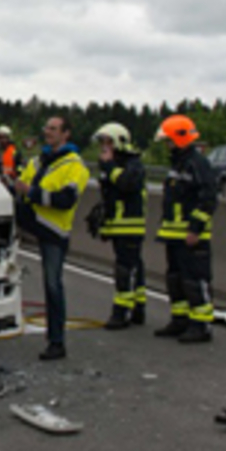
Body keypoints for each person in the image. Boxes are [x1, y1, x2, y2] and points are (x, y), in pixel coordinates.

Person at [15, 115, 90, 361]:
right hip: (31, 222)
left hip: (54, 231)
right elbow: (20, 186)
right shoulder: (38, 161)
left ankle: (56, 342)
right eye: (46, 127)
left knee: (53, 285)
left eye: (53, 128)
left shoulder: (75, 166)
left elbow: (65, 200)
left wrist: (33, 193)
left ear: (66, 134)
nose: (47, 132)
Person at [153, 114, 218, 344]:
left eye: (169, 140)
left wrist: (195, 229)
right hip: (173, 234)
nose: (167, 145)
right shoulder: (178, 163)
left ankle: (201, 324)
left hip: (190, 235)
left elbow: (208, 199)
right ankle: (180, 320)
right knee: (176, 279)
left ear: (179, 138)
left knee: (194, 279)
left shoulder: (197, 163)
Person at [91, 122, 148, 330]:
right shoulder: (112, 165)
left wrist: (109, 168)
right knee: (135, 268)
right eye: (102, 143)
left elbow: (126, 184)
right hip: (118, 226)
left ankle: (121, 312)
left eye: (108, 142)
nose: (104, 147)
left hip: (130, 226)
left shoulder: (132, 164)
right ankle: (138, 307)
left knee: (126, 270)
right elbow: (110, 199)